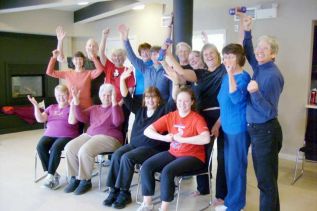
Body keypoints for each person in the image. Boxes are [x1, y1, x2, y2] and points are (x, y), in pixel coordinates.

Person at [103, 65, 179, 209]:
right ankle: (114, 190)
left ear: (158, 99)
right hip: (135, 145)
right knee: (117, 155)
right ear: (144, 99)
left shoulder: (164, 110)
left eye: (153, 97)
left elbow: (174, 99)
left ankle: (125, 193)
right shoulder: (140, 109)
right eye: (147, 97)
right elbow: (125, 96)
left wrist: (175, 82)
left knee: (127, 158)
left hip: (153, 148)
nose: (150, 100)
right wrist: (123, 80)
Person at [164, 43, 227, 204]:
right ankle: (203, 187)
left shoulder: (225, 69)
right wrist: (168, 53)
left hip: (222, 115)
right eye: (206, 54)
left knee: (223, 156)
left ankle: (221, 195)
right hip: (203, 116)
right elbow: (181, 71)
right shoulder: (201, 73)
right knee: (202, 152)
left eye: (211, 53)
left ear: (218, 54)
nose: (208, 56)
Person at [137, 87, 210, 211]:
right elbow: (147, 131)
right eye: (180, 100)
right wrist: (164, 138)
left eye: (186, 101)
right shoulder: (171, 116)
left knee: (167, 171)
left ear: (192, 102)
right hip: (174, 153)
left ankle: (164, 208)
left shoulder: (197, 118)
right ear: (176, 101)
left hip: (193, 157)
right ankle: (147, 204)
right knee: (146, 166)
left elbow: (206, 138)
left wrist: (183, 140)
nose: (182, 104)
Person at [240, 13, 284, 211]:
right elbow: (249, 52)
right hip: (257, 130)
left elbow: (269, 111)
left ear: (273, 54)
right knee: (267, 181)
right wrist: (247, 30)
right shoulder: (261, 66)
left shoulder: (273, 75)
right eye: (259, 47)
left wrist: (255, 92)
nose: (259, 50)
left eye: (265, 48)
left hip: (265, 131)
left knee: (265, 182)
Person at [64, 84, 124, 195]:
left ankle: (85, 180)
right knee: (69, 148)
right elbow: (81, 117)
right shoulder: (94, 108)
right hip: (90, 135)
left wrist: (115, 103)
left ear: (113, 96)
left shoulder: (116, 108)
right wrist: (76, 102)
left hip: (110, 138)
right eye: (104, 94)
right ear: (100, 95)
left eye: (109, 95)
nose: (106, 97)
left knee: (85, 150)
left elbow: (117, 122)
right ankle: (74, 177)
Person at [217, 43, 251, 210]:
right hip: (227, 129)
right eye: (225, 56)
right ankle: (231, 201)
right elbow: (224, 103)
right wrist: (218, 123)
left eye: (231, 56)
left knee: (237, 169)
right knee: (229, 168)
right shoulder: (225, 77)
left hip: (238, 129)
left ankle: (236, 206)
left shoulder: (244, 77)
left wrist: (230, 74)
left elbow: (236, 98)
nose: (227, 59)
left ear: (239, 58)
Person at [28, 84, 79, 189]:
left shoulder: (71, 107)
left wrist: (73, 104)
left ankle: (50, 176)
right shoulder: (51, 107)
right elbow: (40, 119)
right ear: (55, 96)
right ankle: (53, 174)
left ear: (68, 95)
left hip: (67, 135)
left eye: (63, 95)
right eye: (58, 95)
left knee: (55, 147)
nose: (61, 98)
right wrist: (36, 106)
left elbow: (72, 121)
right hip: (50, 134)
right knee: (40, 146)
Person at [118, 24, 172, 102]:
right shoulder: (145, 68)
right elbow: (130, 55)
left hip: (163, 104)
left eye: (157, 54)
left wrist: (169, 26)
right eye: (153, 54)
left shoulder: (167, 70)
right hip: (146, 100)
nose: (155, 56)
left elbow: (165, 44)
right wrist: (125, 38)